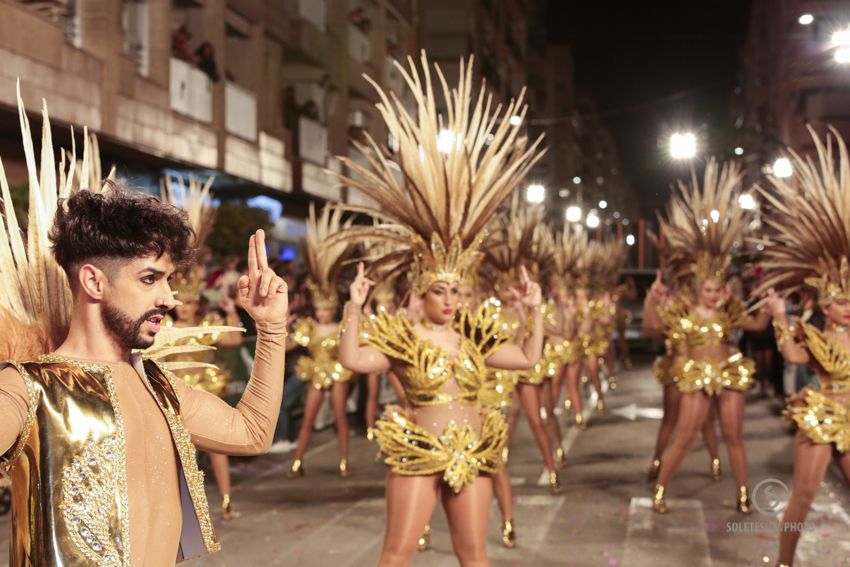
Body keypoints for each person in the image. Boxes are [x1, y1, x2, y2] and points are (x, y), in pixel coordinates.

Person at [0, 94, 288, 566]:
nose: (169, 298)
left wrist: (271, 329)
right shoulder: (30, 388)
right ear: (93, 281)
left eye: (169, 280)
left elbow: (252, 433)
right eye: (150, 279)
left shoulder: (157, 385)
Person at [332, 53, 545, 566]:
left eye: (457, 292)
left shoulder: (474, 335)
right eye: (440, 292)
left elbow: (527, 360)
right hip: (418, 453)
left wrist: (536, 312)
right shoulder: (404, 339)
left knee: (475, 556)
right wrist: (354, 309)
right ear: (421, 292)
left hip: (472, 452)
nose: (451, 302)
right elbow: (354, 362)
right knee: (396, 555)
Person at [642, 159, 771, 514]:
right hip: (695, 375)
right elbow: (652, 328)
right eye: (709, 289)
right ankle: (661, 490)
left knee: (734, 436)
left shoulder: (731, 311)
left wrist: (770, 308)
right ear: (699, 288)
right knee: (684, 436)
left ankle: (743, 494)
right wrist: (651, 299)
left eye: (718, 288)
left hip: (728, 372)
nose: (714, 294)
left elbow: (758, 327)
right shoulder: (684, 312)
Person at [752, 128, 850, 567]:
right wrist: (778, 317)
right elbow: (792, 358)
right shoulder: (812, 333)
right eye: (840, 301)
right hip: (822, 414)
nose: (847, 308)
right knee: (805, 496)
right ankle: (784, 561)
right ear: (825, 303)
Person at [287, 205, 356, 478]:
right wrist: (276, 333)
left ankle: (343, 460)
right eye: (320, 309)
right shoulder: (308, 326)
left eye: (326, 309)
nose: (322, 312)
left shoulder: (341, 327)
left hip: (337, 372)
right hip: (316, 371)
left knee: (340, 418)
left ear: (332, 308)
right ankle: (297, 460)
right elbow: (290, 346)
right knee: (308, 417)